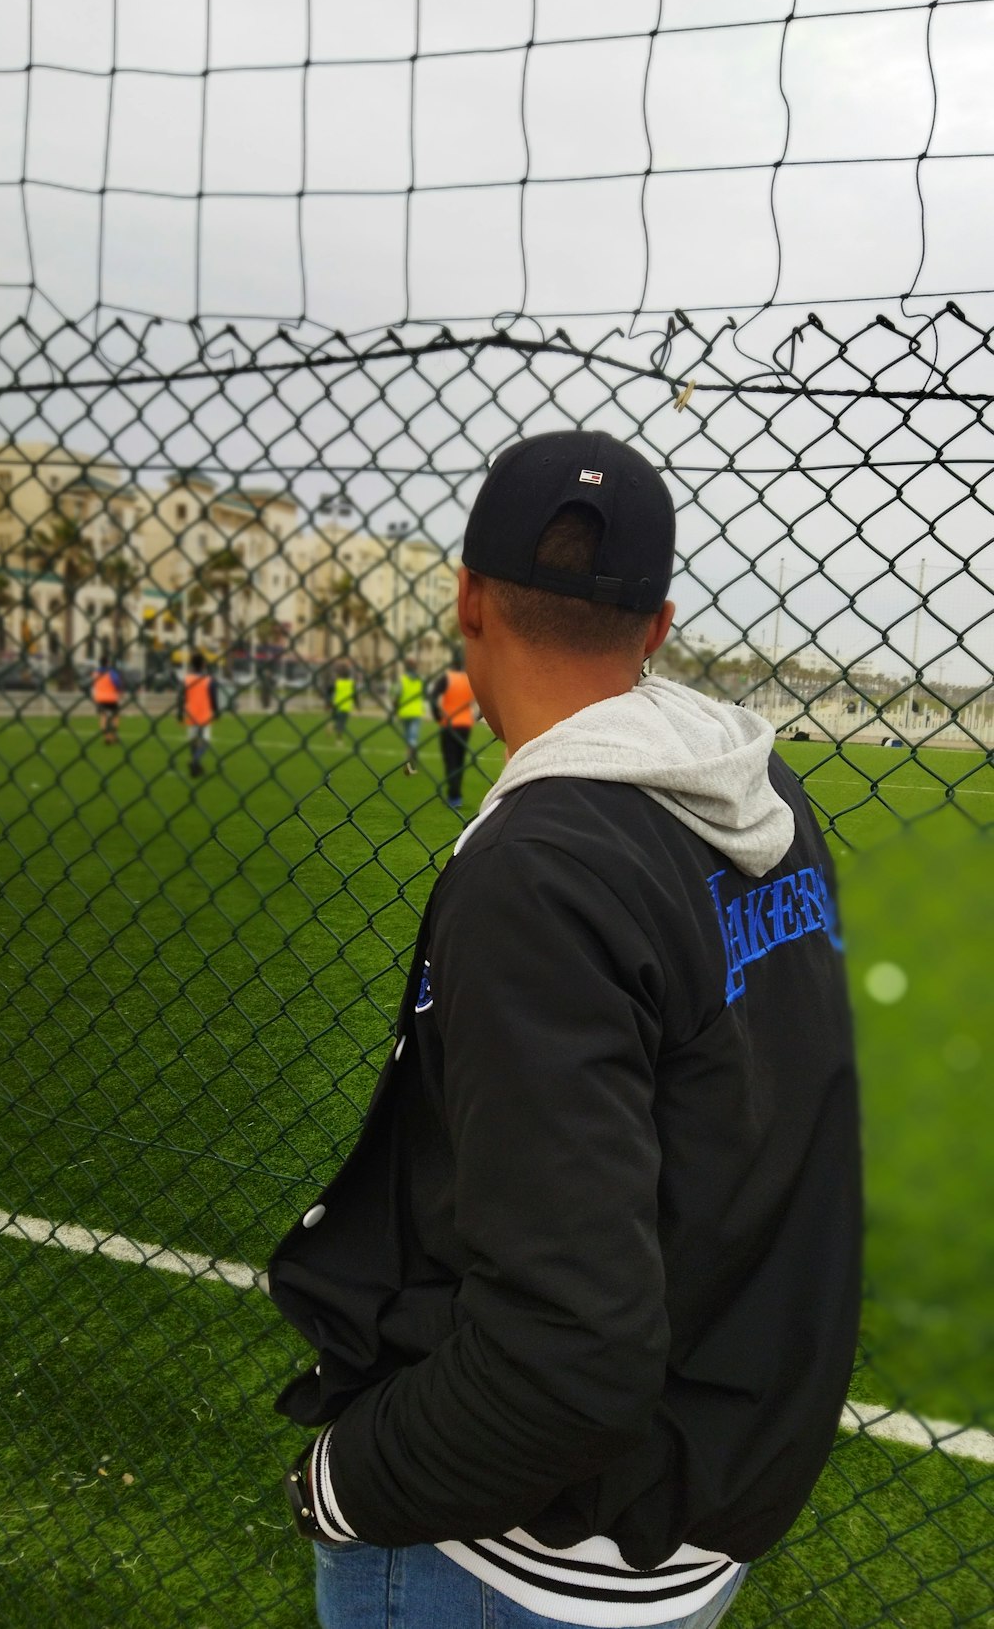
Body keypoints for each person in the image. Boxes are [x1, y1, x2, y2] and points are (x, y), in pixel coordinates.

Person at [269, 430, 862, 1629]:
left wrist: (338, 1481)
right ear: (656, 623)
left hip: (525, 1549)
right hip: (700, 1477)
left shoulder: (540, 869)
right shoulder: (763, 794)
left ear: (467, 597)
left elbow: (568, 1353)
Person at [429, 653, 475, 809]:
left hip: (449, 724)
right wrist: (474, 718)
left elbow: (433, 697)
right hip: (465, 725)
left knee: (451, 760)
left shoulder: (447, 678)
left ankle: (454, 796)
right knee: (460, 760)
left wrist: (437, 716)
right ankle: (455, 795)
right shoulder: (469, 680)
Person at [178, 651, 219, 778]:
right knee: (205, 741)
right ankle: (195, 760)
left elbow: (180, 697)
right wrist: (216, 710)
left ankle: (196, 766)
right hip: (204, 714)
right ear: (203, 664)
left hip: (190, 713)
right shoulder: (208, 680)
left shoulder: (186, 679)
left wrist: (179, 712)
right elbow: (213, 697)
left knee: (193, 740)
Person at [394, 654, 425, 775]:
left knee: (408, 738)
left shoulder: (402, 680)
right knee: (413, 738)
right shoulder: (420, 680)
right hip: (416, 712)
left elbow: (397, 695)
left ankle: (410, 762)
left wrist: (395, 708)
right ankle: (411, 762)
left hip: (404, 713)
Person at [91, 655, 123, 746]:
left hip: (99, 698)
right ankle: (113, 735)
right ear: (108, 662)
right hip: (111, 697)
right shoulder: (111, 672)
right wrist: (120, 692)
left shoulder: (95, 673)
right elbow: (117, 682)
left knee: (103, 717)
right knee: (115, 716)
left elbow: (94, 685)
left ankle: (106, 737)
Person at [330, 660, 358, 742]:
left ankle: (332, 726)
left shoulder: (337, 682)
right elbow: (354, 695)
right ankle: (339, 739)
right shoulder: (351, 683)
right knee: (342, 723)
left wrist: (329, 702)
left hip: (336, 705)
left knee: (337, 721)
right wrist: (357, 705)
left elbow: (331, 691)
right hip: (345, 706)